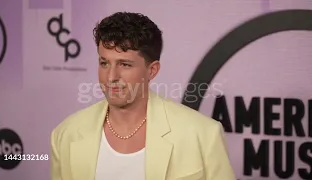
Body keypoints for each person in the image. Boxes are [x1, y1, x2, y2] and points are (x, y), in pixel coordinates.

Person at [50, 12, 236, 180]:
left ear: (152, 70)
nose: (111, 77)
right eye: (104, 63)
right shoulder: (66, 134)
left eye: (125, 65)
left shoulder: (203, 135)